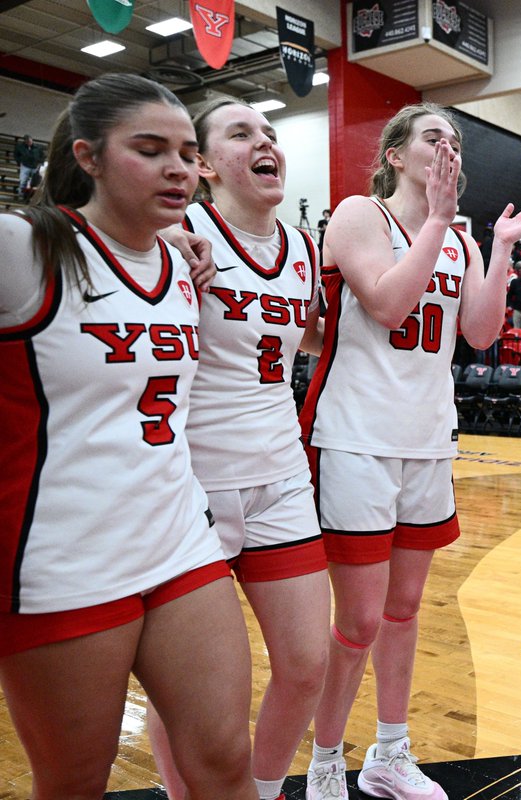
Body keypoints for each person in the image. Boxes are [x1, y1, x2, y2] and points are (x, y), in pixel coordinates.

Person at [0, 73, 257, 799]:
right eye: (150, 150)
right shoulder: (24, 247)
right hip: (63, 560)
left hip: (178, 540)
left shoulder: (181, 262)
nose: (179, 168)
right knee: (76, 782)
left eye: (186, 152)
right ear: (87, 156)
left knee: (224, 762)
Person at [299, 101, 521, 800]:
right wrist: (438, 222)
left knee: (405, 609)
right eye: (433, 138)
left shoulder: (463, 240)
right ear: (395, 156)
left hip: (427, 440)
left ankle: (390, 752)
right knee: (357, 618)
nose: (449, 150)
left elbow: (478, 332)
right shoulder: (357, 215)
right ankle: (324, 758)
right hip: (354, 437)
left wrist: (497, 249)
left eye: (457, 141)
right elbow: (386, 303)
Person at [143, 96, 330, 800]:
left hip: (281, 473)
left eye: (272, 133)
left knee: (306, 663)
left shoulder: (304, 247)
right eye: (241, 133)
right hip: (192, 484)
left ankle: (261, 788)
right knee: (190, 687)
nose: (265, 143)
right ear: (204, 165)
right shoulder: (175, 230)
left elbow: (302, 335)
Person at [14, 133, 44, 199]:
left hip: (35, 166)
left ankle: (31, 195)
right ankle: (21, 193)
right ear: (25, 142)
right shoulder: (20, 147)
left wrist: (40, 163)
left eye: (30, 141)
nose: (29, 143)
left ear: (32, 140)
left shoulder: (38, 147)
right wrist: (19, 161)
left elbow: (42, 156)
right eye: (27, 142)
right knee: (23, 180)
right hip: (25, 165)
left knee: (34, 182)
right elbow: (16, 155)